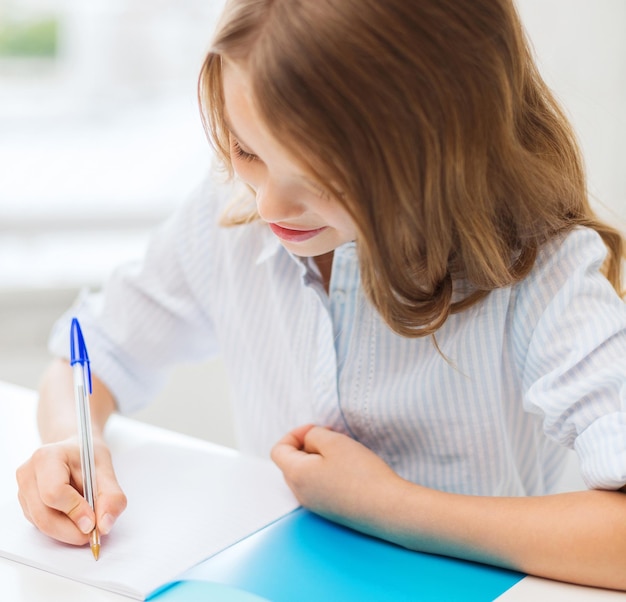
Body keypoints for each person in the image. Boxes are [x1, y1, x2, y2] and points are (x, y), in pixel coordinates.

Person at [16, 0, 626, 590]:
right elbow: (91, 355)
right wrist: (71, 441)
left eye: (317, 177)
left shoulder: (542, 270)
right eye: (247, 149)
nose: (269, 206)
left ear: (439, 146)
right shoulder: (229, 214)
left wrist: (394, 507)